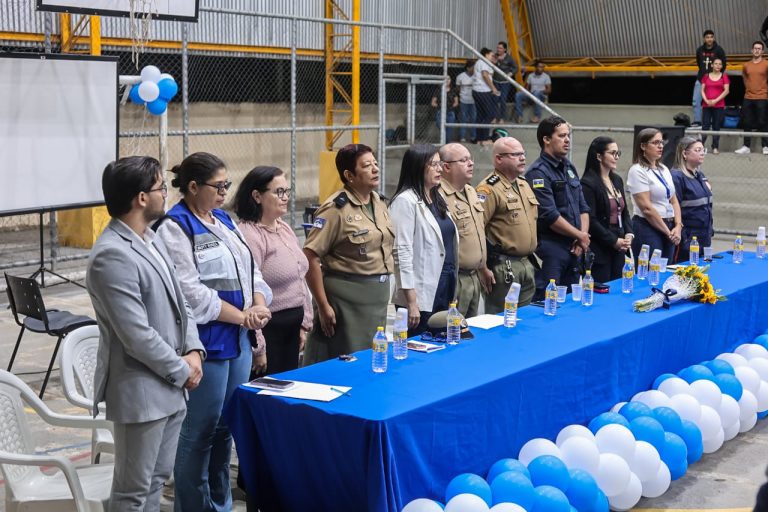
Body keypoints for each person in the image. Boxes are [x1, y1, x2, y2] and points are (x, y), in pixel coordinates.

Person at [155, 152, 273, 512]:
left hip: (238, 340)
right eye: (218, 186)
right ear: (193, 187)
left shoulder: (223, 219)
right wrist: (243, 317)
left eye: (227, 185)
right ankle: (192, 505)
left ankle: (220, 504)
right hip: (206, 344)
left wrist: (257, 304)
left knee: (226, 429)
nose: (224, 193)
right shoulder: (175, 227)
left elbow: (250, 270)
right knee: (200, 431)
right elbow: (190, 293)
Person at [86, 156, 205, 511]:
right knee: (132, 492)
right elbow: (136, 335)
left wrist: (194, 350)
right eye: (161, 188)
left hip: (170, 386)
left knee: (156, 482)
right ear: (141, 198)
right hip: (142, 392)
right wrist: (182, 370)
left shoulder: (150, 239)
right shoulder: (112, 255)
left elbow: (182, 304)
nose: (165, 194)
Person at [303, 143, 394, 364]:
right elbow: (310, 256)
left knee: (371, 359)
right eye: (367, 165)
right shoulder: (335, 209)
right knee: (346, 361)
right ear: (349, 175)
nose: (375, 169)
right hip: (346, 301)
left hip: (376, 299)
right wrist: (323, 305)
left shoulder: (379, 202)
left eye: (375, 163)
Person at [235, 166, 312, 375]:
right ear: (257, 196)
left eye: (287, 191)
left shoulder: (284, 228)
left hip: (292, 328)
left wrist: (304, 324)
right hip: (269, 330)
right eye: (279, 192)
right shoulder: (249, 234)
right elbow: (250, 291)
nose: (285, 197)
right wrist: (259, 346)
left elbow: (300, 277)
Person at [390, 144, 458, 335]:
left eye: (440, 164)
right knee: (420, 343)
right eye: (433, 164)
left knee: (443, 340)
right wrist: (411, 301)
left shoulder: (437, 197)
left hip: (445, 282)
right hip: (420, 291)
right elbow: (401, 252)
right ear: (417, 167)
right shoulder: (405, 201)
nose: (439, 169)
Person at [525, 116, 590, 300]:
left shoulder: (569, 167)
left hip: (575, 247)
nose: (567, 140)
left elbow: (583, 207)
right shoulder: (538, 172)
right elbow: (550, 215)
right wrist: (580, 236)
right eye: (561, 136)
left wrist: (582, 237)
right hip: (552, 248)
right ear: (546, 139)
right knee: (549, 302)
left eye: (568, 135)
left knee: (570, 302)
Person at [475, 136, 539, 311]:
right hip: (504, 266)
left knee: (525, 318)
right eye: (515, 154)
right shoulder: (488, 189)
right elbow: (477, 230)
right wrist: (482, 267)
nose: (522, 158)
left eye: (523, 153)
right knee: (501, 318)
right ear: (499, 159)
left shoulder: (523, 184)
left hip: (526, 263)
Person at [438, 143, 494, 317]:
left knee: (471, 329)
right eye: (463, 160)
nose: (471, 163)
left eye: (471, 159)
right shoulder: (438, 196)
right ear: (446, 167)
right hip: (455, 279)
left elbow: (476, 233)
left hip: (474, 277)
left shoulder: (470, 191)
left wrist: (483, 267)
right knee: (452, 329)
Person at [580, 137, 633, 283]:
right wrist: (613, 240)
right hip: (600, 247)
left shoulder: (617, 180)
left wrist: (629, 233)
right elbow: (591, 220)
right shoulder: (588, 183)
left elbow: (625, 212)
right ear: (599, 156)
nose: (616, 157)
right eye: (612, 153)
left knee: (619, 286)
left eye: (618, 153)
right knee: (602, 288)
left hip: (620, 246)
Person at [627, 128, 683, 261]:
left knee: (666, 268)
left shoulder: (663, 169)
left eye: (662, 142)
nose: (661, 146)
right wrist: (668, 233)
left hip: (669, 225)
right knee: (650, 269)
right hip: (648, 226)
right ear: (643, 146)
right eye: (655, 143)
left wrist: (678, 226)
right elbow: (647, 209)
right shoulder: (637, 170)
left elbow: (674, 200)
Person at [670, 137, 714, 262]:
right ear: (685, 154)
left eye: (703, 150)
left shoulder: (700, 175)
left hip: (704, 236)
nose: (702, 153)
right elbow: (673, 207)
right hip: (686, 239)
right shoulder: (676, 177)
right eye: (698, 150)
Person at [735, 41, 768, 155]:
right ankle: (746, 146)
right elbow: (745, 79)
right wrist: (750, 89)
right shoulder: (746, 65)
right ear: (752, 50)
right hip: (748, 97)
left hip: (762, 96)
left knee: (763, 121)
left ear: (762, 51)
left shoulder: (766, 64)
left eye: (759, 48)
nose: (757, 50)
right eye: (755, 48)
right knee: (747, 122)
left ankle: (765, 146)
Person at [693, 29, 727, 126]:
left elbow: (723, 64)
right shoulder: (699, 50)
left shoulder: (719, 50)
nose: (709, 39)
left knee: (714, 102)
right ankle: (697, 121)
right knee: (696, 101)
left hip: (714, 81)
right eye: (707, 37)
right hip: (701, 79)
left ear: (714, 38)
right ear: (704, 39)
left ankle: (714, 122)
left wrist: (716, 77)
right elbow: (699, 63)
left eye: (711, 37)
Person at [700, 58, 730, 154]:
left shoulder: (724, 76)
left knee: (716, 126)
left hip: (719, 105)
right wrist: (706, 100)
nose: (718, 65)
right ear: (712, 65)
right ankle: (700, 147)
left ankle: (715, 147)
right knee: (705, 126)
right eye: (716, 63)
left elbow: (726, 91)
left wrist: (715, 101)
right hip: (706, 105)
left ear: (722, 66)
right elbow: (702, 90)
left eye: (720, 64)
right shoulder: (706, 76)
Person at [473, 47, 500, 145]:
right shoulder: (483, 62)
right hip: (483, 91)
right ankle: (484, 139)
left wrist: (494, 63)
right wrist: (493, 88)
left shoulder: (480, 62)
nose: (492, 57)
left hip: (477, 91)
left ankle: (479, 138)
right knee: (489, 114)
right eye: (491, 55)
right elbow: (485, 75)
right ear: (486, 55)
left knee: (481, 115)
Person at [494, 41, 519, 123]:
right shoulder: (494, 56)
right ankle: (495, 117)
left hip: (505, 83)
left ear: (505, 49)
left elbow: (516, 68)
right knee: (495, 99)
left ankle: (502, 118)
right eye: (498, 48)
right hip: (496, 82)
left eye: (500, 48)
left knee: (503, 100)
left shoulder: (509, 58)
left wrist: (510, 74)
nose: (498, 49)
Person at [430, 76, 459, 142]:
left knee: (449, 129)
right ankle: (444, 140)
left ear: (450, 80)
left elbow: (456, 102)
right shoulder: (438, 91)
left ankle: (447, 142)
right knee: (440, 125)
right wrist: (440, 106)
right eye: (445, 79)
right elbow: (433, 103)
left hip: (450, 112)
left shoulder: (453, 91)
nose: (447, 80)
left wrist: (451, 106)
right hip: (440, 111)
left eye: (448, 79)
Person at [456, 59, 477, 142]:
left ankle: (473, 137)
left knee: (474, 119)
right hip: (463, 101)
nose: (474, 69)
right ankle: (462, 137)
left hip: (474, 101)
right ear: (468, 68)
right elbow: (457, 88)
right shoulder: (460, 76)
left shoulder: (477, 76)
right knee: (463, 119)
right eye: (473, 67)